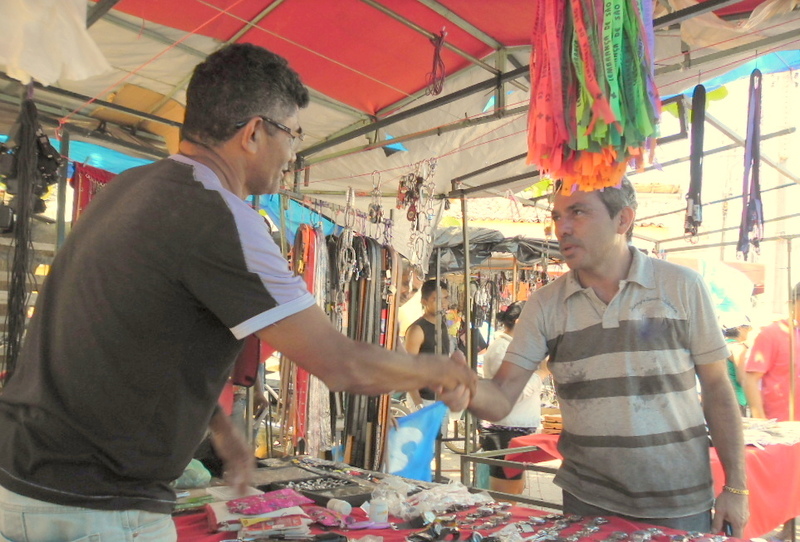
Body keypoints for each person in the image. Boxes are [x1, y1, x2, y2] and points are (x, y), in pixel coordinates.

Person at [0, 44, 475, 542]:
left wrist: (220, 426)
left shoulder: (130, 188)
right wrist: (439, 369)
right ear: (253, 133)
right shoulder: (221, 217)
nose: (292, 153)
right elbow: (341, 364)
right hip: (94, 508)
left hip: (26, 480)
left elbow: (137, 335)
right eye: (292, 134)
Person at [444, 177, 748, 536]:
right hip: (587, 502)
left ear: (623, 220)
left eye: (578, 212)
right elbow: (501, 397)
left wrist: (736, 487)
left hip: (678, 501)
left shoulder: (682, 286)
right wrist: (467, 389)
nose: (562, 228)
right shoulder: (545, 305)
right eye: (557, 216)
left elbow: (717, 388)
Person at [480, 301, 549, 495]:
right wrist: (542, 373)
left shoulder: (516, 347)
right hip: (505, 431)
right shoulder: (502, 350)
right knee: (506, 495)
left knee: (514, 490)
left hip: (515, 431)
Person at [743, 283, 800, 421]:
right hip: (781, 426)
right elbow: (750, 380)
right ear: (792, 303)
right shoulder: (772, 334)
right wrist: (760, 420)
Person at [404, 279, 451, 408]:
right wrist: (418, 404)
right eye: (437, 300)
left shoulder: (442, 325)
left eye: (446, 298)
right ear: (424, 302)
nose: (443, 303)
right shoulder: (417, 330)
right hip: (424, 398)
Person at [720, 314, 752, 416]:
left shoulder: (719, 346)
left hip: (719, 398)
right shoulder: (738, 348)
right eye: (748, 328)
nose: (749, 331)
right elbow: (742, 379)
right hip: (737, 400)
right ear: (739, 328)